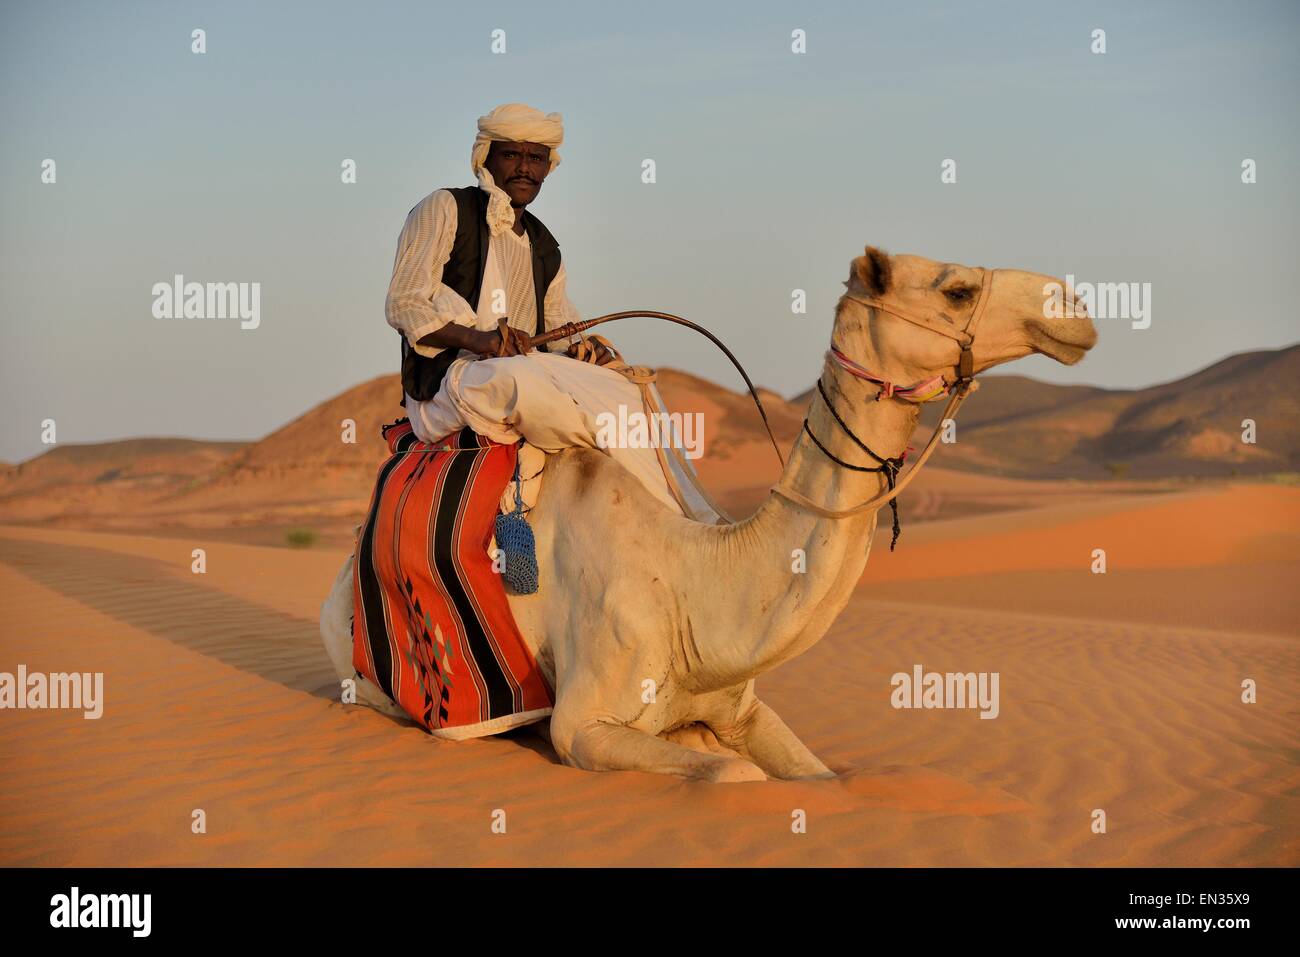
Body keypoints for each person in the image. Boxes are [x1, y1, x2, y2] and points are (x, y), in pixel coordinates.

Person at [384, 102, 704, 516]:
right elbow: (404, 301)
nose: (523, 168)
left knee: (631, 391)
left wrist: (586, 352)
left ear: (547, 168)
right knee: (520, 380)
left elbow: (560, 328)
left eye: (535, 158)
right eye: (511, 155)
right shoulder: (445, 208)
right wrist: (481, 340)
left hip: (528, 369)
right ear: (487, 159)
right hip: (452, 380)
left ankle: (687, 515)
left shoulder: (544, 245)